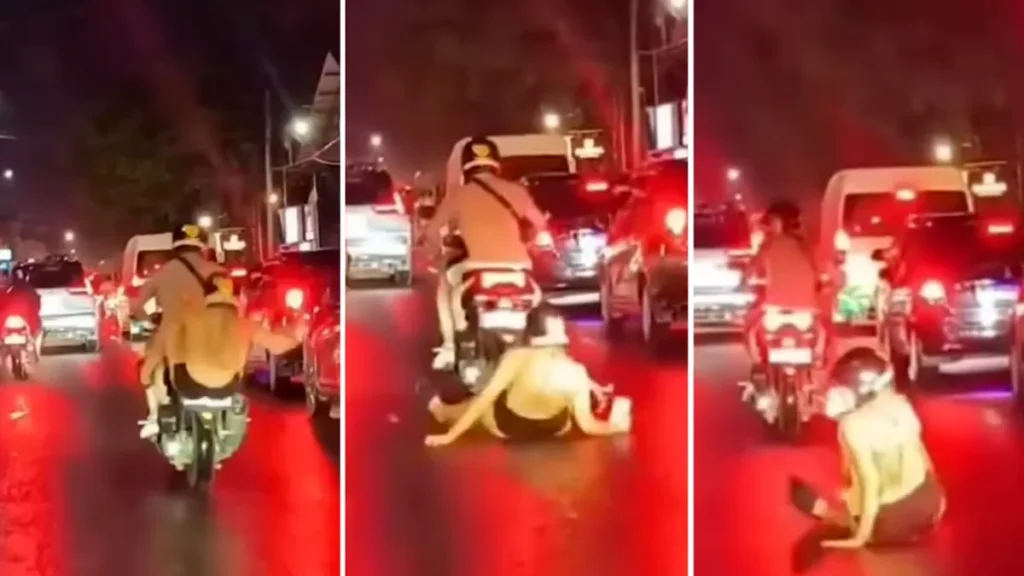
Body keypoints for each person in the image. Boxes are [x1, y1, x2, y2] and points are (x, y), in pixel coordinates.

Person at [790, 347, 945, 548]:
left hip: (889, 524)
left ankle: (828, 513)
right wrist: (939, 500)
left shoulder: (852, 425)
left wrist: (860, 538)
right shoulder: (903, 406)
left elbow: (871, 484)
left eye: (844, 389)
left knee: (846, 504)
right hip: (930, 508)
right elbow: (925, 461)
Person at [417, 136, 548, 371]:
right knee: (537, 300)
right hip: (518, 267)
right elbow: (540, 223)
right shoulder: (516, 191)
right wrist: (527, 244)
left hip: (474, 265)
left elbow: (433, 230)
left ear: (466, 166)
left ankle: (448, 348)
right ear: (496, 163)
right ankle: (537, 341)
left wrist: (438, 250)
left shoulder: (459, 195)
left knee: (446, 287)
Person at [424, 303, 632, 446]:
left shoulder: (518, 356)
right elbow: (589, 426)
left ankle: (442, 411)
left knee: (466, 409)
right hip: (555, 428)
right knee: (568, 404)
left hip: (509, 425)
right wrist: (616, 427)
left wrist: (449, 437)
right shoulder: (576, 371)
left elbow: (485, 398)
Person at [138, 274, 306, 426]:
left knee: (160, 366)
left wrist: (146, 380)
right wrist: (298, 334)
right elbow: (278, 346)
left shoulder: (185, 317)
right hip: (228, 387)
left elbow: (156, 354)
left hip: (187, 385)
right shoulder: (244, 324)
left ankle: (154, 418)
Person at [130, 223, 225, 437]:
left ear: (175, 247)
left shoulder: (163, 273)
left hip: (169, 336)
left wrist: (150, 320)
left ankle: (154, 416)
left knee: (146, 373)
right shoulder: (217, 271)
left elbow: (137, 306)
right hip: (211, 335)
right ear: (203, 247)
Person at [742, 201, 830, 402]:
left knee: (750, 328)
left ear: (782, 222)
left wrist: (747, 281)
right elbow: (822, 274)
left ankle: (758, 367)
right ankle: (817, 362)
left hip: (774, 311)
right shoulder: (808, 247)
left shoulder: (768, 245)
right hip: (806, 314)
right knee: (824, 330)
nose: (770, 226)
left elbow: (752, 271)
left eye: (773, 221)